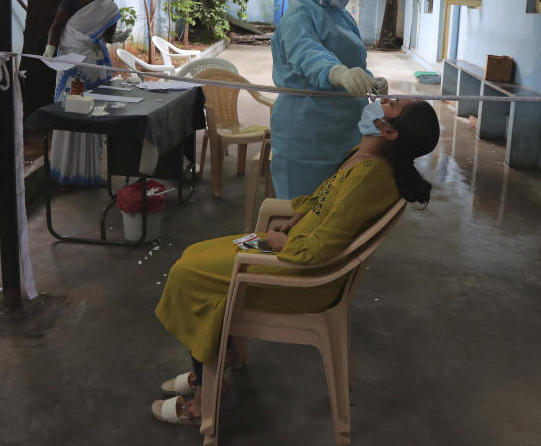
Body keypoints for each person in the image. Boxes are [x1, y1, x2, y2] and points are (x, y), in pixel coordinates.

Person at [151, 97, 441, 426]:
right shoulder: (360, 160)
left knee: (189, 275)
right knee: (195, 255)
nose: (383, 99)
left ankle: (204, 398)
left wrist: (284, 242)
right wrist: (294, 220)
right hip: (294, 253)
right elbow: (326, 200)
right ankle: (222, 353)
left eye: (392, 105)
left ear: (388, 132)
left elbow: (320, 249)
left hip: (302, 278)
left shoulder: (369, 176)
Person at [270, 0, 389, 200]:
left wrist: (368, 80)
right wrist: (338, 73)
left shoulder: (343, 16)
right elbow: (308, 52)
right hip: (306, 132)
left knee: (336, 209)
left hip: (347, 130)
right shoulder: (299, 16)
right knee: (301, 211)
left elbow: (354, 62)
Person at [42, 0, 120, 186]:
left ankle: (90, 174)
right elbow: (56, 27)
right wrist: (50, 47)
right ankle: (65, 177)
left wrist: (115, 36)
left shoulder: (109, 8)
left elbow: (108, 35)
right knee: (71, 114)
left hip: (92, 67)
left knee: (93, 116)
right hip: (71, 66)